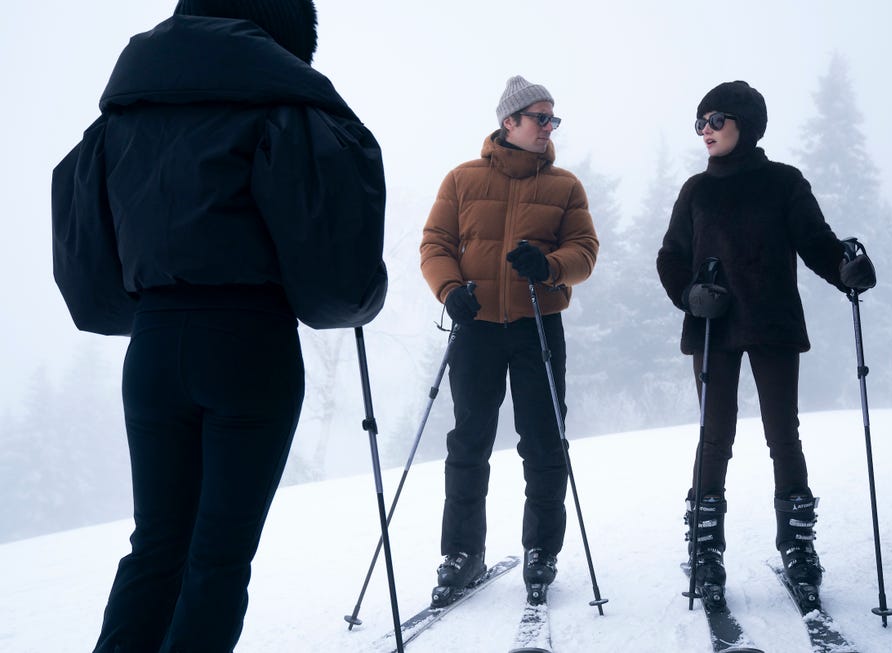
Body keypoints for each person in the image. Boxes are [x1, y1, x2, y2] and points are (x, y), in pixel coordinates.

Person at [51, 1, 387, 651]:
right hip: (248, 343)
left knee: (154, 549)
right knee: (217, 561)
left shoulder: (122, 110)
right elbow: (332, 276)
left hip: (151, 349)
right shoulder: (283, 106)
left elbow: (90, 266)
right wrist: (360, 299)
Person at [656, 80, 876, 608]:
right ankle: (706, 549)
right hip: (712, 325)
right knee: (715, 437)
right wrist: (689, 294)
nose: (705, 130)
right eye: (699, 121)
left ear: (745, 125)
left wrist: (847, 270)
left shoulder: (783, 183)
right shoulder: (695, 191)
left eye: (716, 119)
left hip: (771, 322)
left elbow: (817, 243)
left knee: (783, 433)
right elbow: (670, 258)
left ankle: (797, 546)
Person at [419, 75, 599, 604]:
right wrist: (449, 290)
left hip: (537, 326)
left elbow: (584, 251)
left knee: (543, 441)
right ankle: (462, 554)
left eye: (552, 119)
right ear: (509, 122)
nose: (548, 126)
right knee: (469, 442)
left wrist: (548, 266)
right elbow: (435, 243)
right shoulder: (462, 179)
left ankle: (541, 551)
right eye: (539, 117)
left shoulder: (565, 186)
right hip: (475, 328)